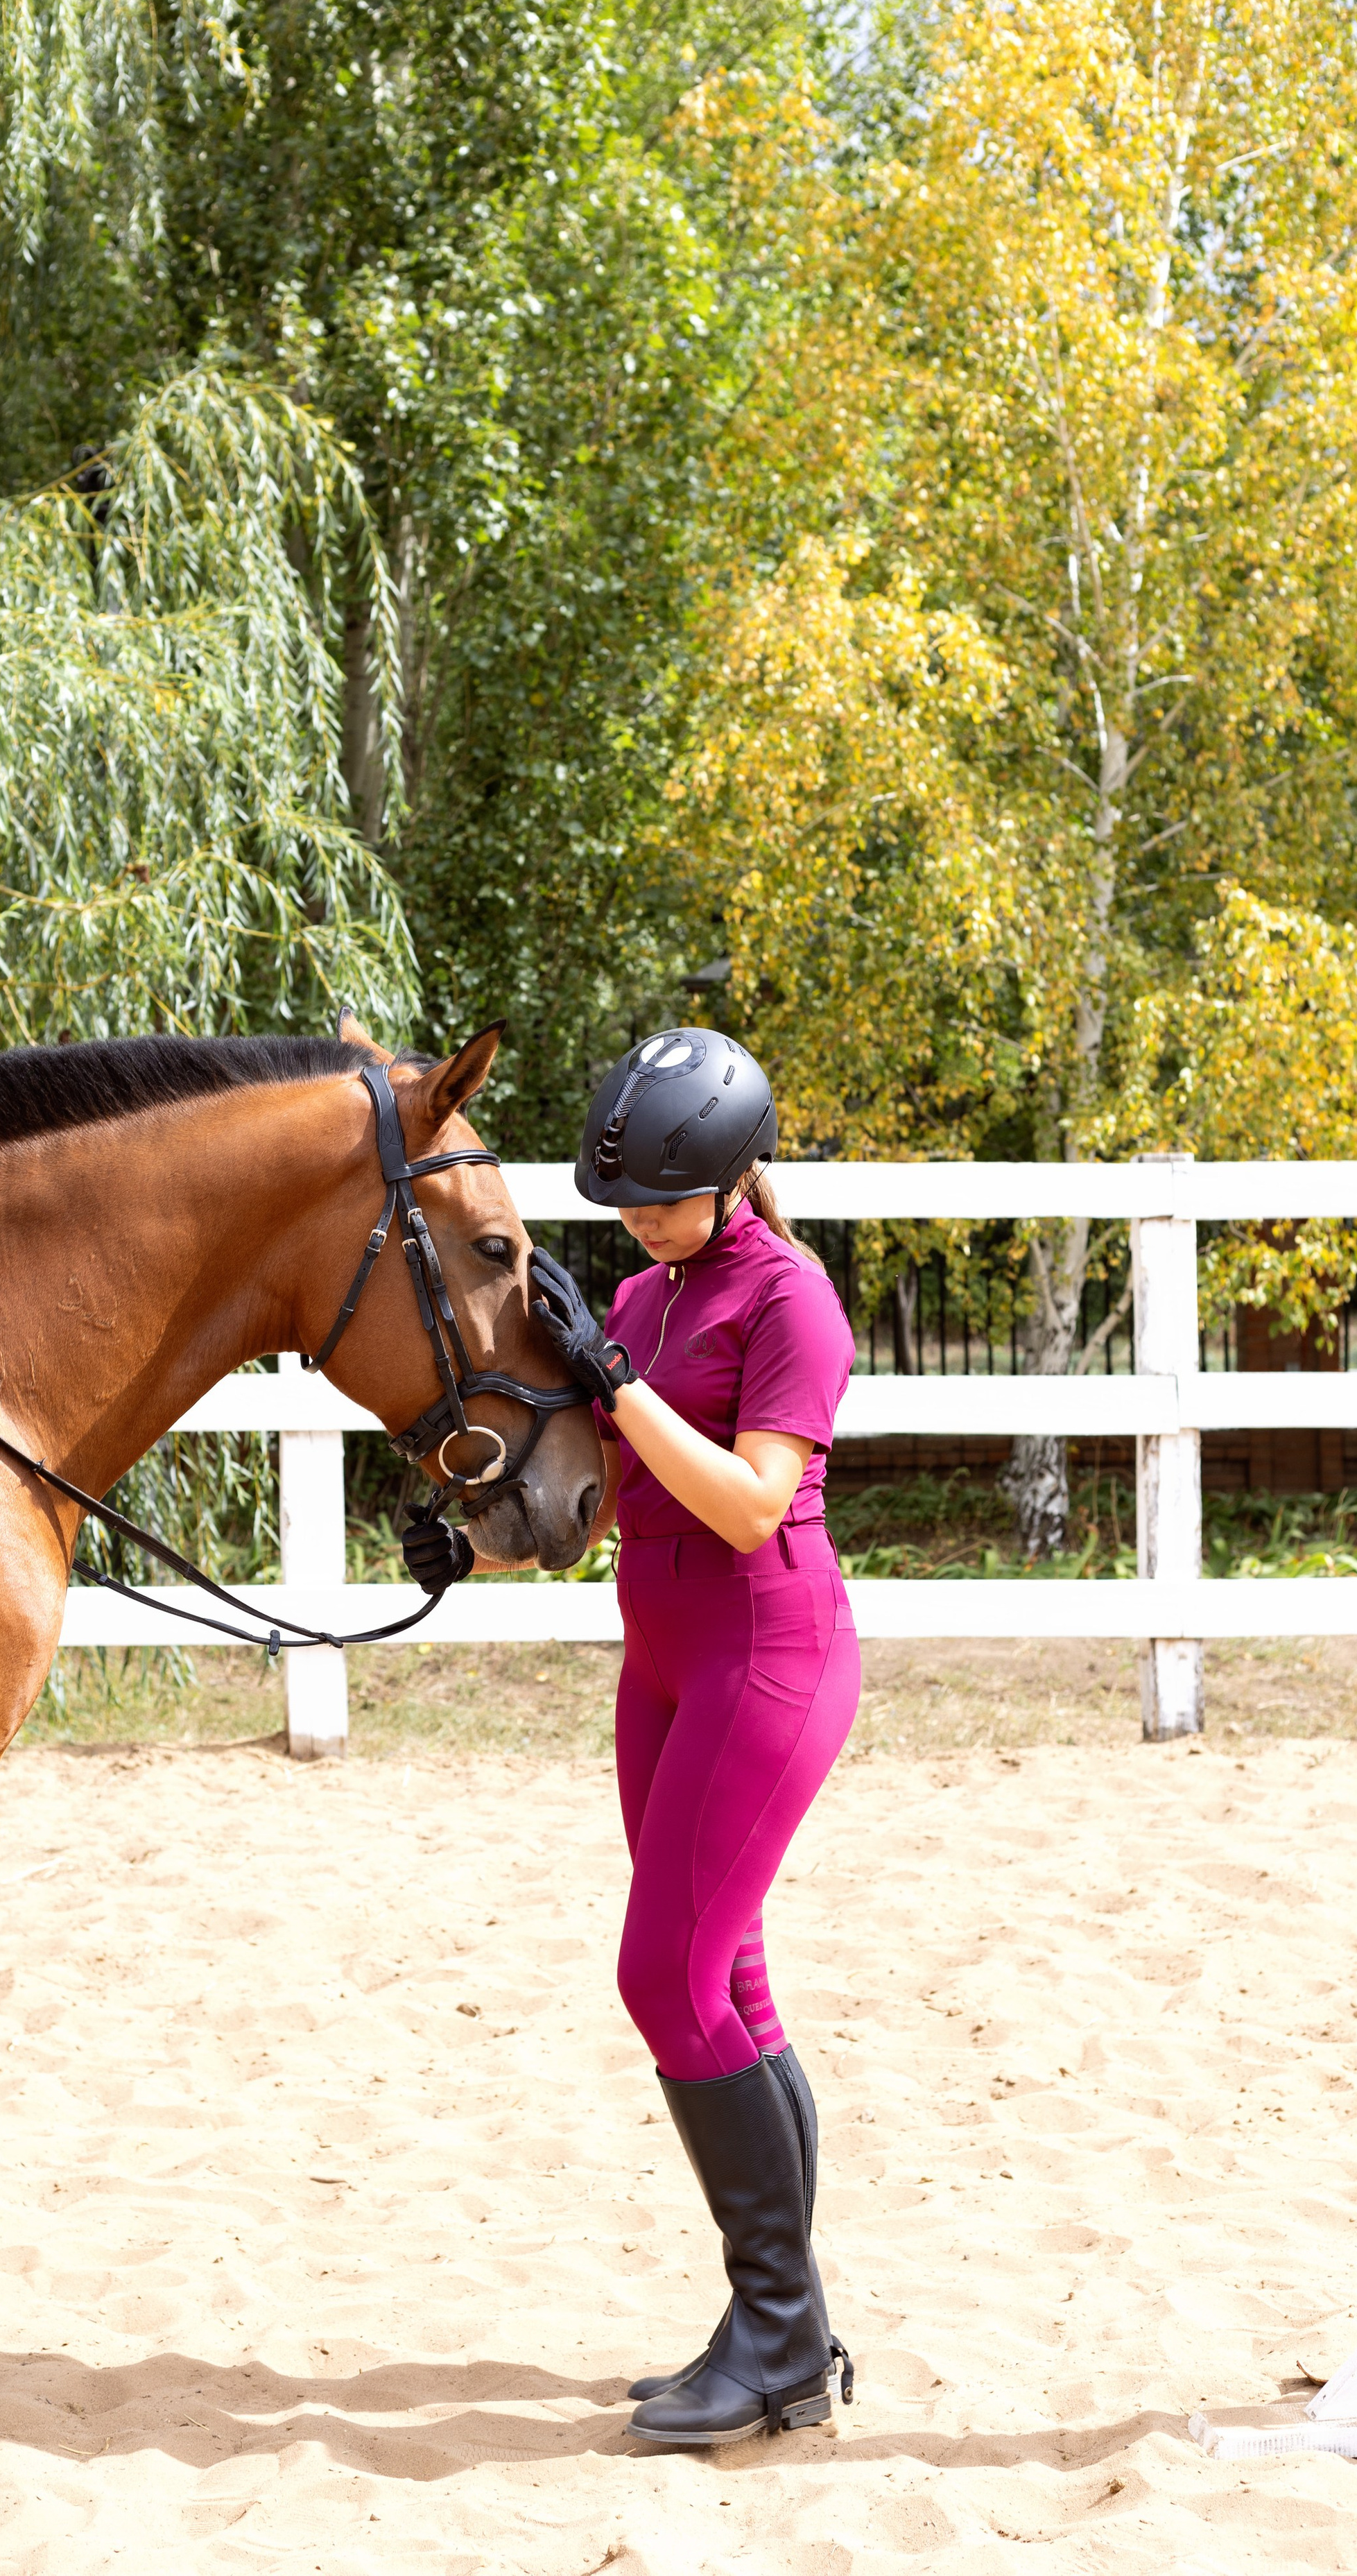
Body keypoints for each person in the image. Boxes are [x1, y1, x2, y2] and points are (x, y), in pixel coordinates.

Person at [403, 1031, 860, 2448]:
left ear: (732, 1180)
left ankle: (780, 2339)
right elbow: (606, 1491)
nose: (641, 1230)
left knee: (662, 1976)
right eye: (625, 1210)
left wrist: (616, 1374)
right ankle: (781, 2331)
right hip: (658, 1660)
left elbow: (741, 1503)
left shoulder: (789, 1303)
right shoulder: (649, 1298)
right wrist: (467, 1546)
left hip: (763, 1655)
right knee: (724, 1980)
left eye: (663, 1204)